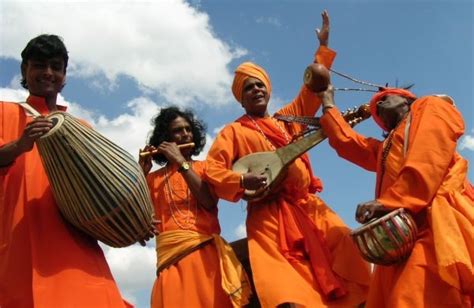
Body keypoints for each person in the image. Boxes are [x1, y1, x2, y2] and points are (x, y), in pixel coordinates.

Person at [204, 11, 370, 307]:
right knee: (285, 290)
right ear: (240, 99)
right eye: (247, 88)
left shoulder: (287, 119)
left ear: (267, 90)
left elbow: (312, 88)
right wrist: (242, 179)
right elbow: (213, 170)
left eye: (259, 85)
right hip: (268, 215)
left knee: (345, 245)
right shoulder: (232, 131)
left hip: (309, 207)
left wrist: (323, 47)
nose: (255, 90)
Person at [0, 35, 131, 307]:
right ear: (25, 70)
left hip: (76, 243)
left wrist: (132, 217)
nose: (48, 72)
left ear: (64, 75)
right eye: (39, 65)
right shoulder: (4, 112)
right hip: (18, 242)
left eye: (56, 66)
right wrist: (19, 145)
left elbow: (102, 188)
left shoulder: (80, 126)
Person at [319, 85, 474, 307]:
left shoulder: (430, 105)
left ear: (407, 100)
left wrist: (390, 201)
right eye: (375, 109)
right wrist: (327, 102)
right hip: (400, 234)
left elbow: (429, 155)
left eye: (383, 99)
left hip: (436, 223)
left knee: (412, 296)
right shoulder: (386, 147)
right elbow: (349, 143)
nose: (378, 107)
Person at [139, 106, 251, 308]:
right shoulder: (151, 179)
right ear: (165, 139)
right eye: (177, 131)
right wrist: (140, 172)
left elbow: (208, 201)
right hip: (170, 262)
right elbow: (136, 217)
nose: (185, 134)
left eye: (188, 129)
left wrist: (181, 162)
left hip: (205, 257)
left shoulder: (206, 168)